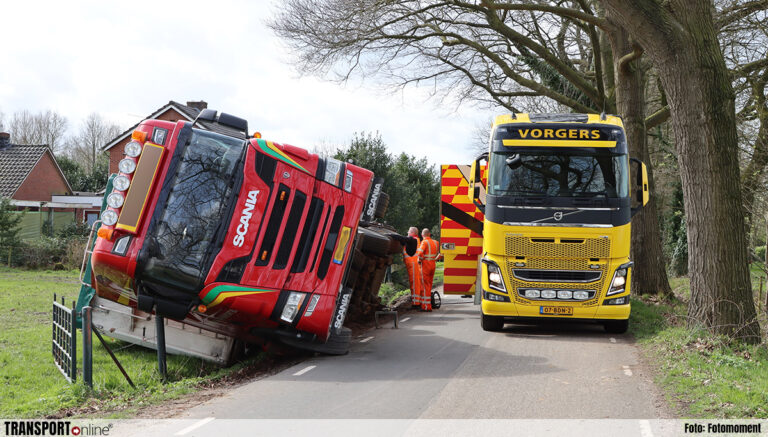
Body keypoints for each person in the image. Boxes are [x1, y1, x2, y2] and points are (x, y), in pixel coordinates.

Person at [389, 227, 422, 308]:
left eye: (409, 231)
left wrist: (390, 235)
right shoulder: (413, 241)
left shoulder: (412, 240)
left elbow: (402, 238)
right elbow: (403, 240)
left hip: (413, 265)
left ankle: (416, 304)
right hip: (413, 265)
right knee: (414, 283)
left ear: (413, 233)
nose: (407, 233)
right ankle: (417, 302)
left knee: (414, 284)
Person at [418, 228, 440, 311]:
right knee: (429, 285)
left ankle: (426, 307)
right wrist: (434, 259)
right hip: (433, 264)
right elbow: (440, 254)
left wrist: (419, 260)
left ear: (422, 235)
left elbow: (420, 253)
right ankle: (428, 305)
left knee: (424, 286)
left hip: (425, 265)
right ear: (429, 234)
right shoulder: (436, 242)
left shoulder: (424, 242)